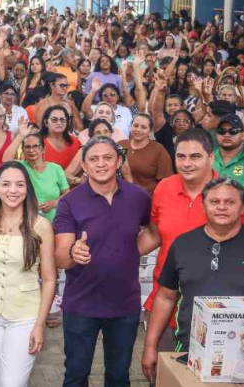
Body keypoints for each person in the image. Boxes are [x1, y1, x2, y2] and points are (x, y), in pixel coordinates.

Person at [53, 136, 152, 387]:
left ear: (118, 161)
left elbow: (153, 231)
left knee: (119, 376)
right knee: (76, 375)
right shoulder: (69, 202)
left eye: (108, 158)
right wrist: (74, 252)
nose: (101, 164)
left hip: (124, 305)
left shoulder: (138, 197)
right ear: (84, 166)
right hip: (81, 304)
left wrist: (129, 252)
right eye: (93, 159)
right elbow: (61, 257)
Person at [141, 178, 244, 383]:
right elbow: (165, 297)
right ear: (203, 206)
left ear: (241, 207)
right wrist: (150, 347)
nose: (221, 207)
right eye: (214, 202)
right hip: (189, 352)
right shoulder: (183, 244)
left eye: (230, 202)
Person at [0, 161, 56, 387]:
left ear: (27, 189)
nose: (12, 190)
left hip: (24, 316)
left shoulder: (41, 226)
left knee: (12, 382)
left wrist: (40, 324)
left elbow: (49, 279)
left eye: (19, 185)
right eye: (6, 184)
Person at [143, 129, 221, 351]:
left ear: (211, 158)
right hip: (164, 302)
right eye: (181, 156)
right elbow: (154, 235)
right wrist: (111, 251)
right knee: (159, 366)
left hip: (211, 308)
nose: (187, 163)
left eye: (195, 156)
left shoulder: (228, 197)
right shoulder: (164, 188)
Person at [3, 124, 70, 222]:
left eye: (35, 146)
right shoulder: (21, 167)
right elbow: (5, 160)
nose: (31, 150)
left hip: (54, 221)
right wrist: (21, 136)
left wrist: (54, 203)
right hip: (27, 221)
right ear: (23, 151)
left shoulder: (55, 168)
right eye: (27, 147)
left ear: (43, 149)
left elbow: (67, 194)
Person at [118, 114, 174, 195]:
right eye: (135, 125)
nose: (138, 130)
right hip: (121, 195)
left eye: (143, 127)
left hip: (147, 197)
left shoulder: (158, 149)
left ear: (150, 131)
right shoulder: (121, 145)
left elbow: (166, 181)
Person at [40, 105, 81, 170]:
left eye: (62, 120)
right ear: (46, 122)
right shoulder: (38, 142)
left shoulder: (75, 141)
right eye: (54, 120)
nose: (59, 123)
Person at [212, 114, 244, 185]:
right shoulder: (207, 157)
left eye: (233, 130)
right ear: (216, 135)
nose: (226, 135)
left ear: (243, 135)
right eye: (221, 130)